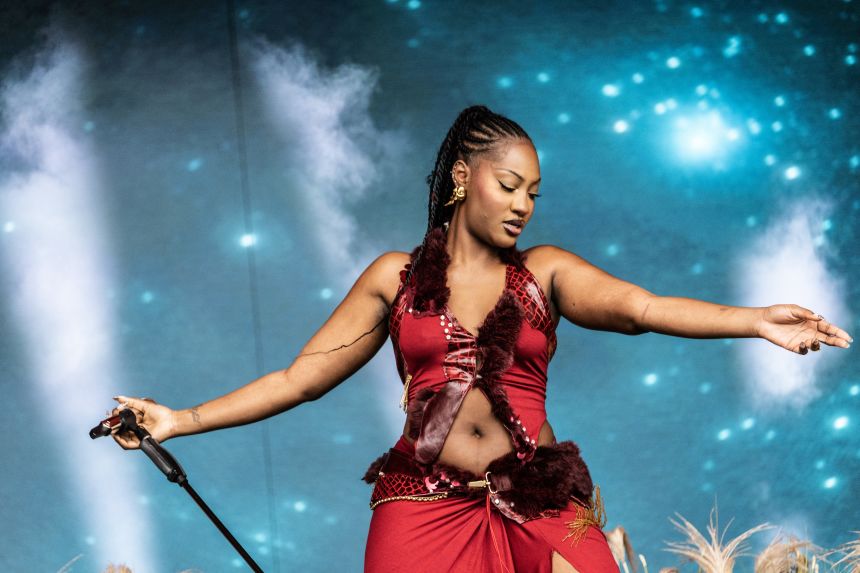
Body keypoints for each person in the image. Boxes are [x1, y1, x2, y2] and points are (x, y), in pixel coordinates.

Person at [111, 105, 852, 573]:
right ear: (464, 177)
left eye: (534, 191)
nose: (524, 204)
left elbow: (642, 306)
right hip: (421, 504)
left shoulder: (546, 272)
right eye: (510, 184)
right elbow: (299, 377)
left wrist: (752, 318)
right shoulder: (394, 278)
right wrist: (179, 419)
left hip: (535, 497)